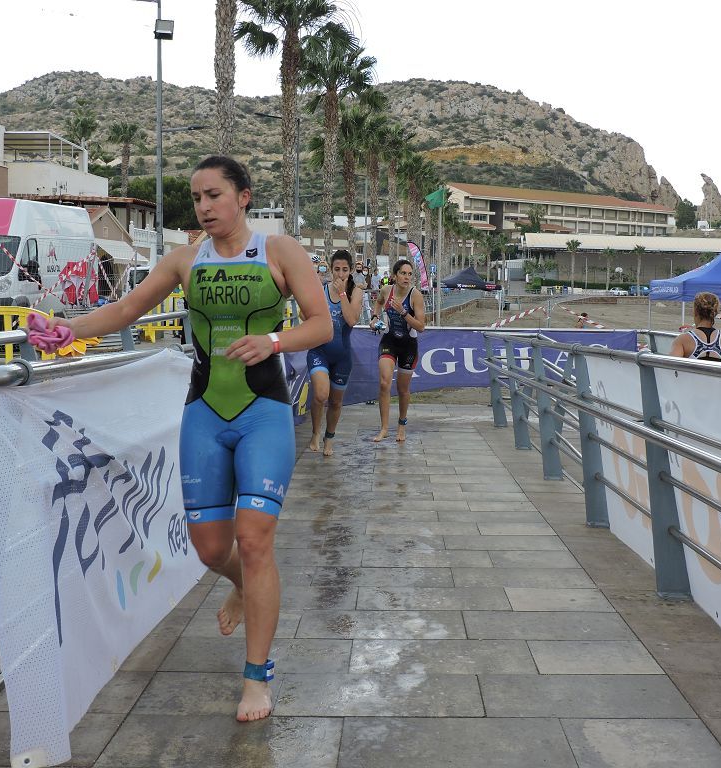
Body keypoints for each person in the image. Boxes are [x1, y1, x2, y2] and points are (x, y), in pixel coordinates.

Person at [30, 155, 331, 722]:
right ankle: (239, 584)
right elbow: (125, 309)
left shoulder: (279, 251)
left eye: (214, 195)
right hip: (204, 414)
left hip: (263, 410)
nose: (204, 207)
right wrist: (67, 332)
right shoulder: (184, 261)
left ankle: (257, 679)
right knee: (212, 549)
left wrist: (273, 340)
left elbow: (321, 323)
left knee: (256, 537)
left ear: (243, 196)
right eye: (196, 198)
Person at [306, 249, 362, 456]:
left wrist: (342, 295)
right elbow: (307, 315)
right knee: (321, 394)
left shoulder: (356, 292)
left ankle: (329, 437)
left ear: (350, 271)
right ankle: (314, 432)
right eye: (336, 269)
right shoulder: (321, 290)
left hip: (342, 355)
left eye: (345, 270)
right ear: (330, 270)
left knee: (336, 401)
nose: (340, 274)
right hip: (319, 350)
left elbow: (352, 320)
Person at [369, 258, 426, 441]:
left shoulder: (415, 295)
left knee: (402, 389)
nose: (407, 277)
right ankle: (384, 428)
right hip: (389, 340)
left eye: (410, 274)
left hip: (409, 345)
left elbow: (421, 326)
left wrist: (403, 312)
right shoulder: (387, 290)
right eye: (403, 273)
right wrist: (374, 317)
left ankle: (401, 425)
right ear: (395, 275)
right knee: (385, 383)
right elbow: (378, 302)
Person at [669, 292, 721, 364]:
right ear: (715, 313)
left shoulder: (683, 340)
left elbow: (669, 368)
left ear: (695, 312)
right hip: (718, 378)